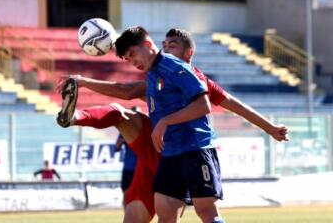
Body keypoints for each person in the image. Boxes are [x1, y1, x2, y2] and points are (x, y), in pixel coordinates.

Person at [57, 28, 289, 223]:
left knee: (206, 211)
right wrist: (84, 81)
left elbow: (217, 105)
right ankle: (76, 116)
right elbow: (125, 91)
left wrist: (269, 128)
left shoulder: (180, 70)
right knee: (163, 215)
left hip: (194, 149)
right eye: (165, 43)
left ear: (189, 53)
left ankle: (77, 116)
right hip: (166, 153)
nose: (166, 48)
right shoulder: (152, 72)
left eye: (173, 44)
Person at [57, 78, 160, 223]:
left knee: (119, 113)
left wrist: (83, 81)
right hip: (151, 153)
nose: (129, 59)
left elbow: (128, 91)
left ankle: (76, 117)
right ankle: (73, 117)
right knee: (119, 114)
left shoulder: (181, 75)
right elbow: (130, 91)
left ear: (189, 53)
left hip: (174, 153)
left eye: (131, 54)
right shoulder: (162, 72)